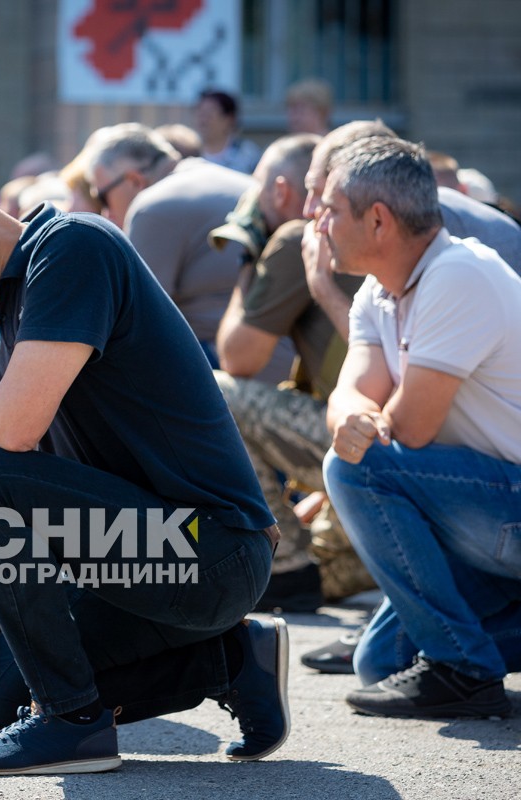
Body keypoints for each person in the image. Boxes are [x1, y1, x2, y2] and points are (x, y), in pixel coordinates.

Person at [0, 149, 287, 774]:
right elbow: (2, 460)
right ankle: (232, 660)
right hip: (126, 554)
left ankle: (73, 724)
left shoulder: (72, 247)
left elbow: (6, 434)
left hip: (211, 551)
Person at [317, 136, 521, 718]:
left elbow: (409, 432)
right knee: (381, 665)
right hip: (491, 502)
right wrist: (352, 419)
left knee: (355, 471)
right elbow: (352, 392)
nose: (317, 221)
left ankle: (464, 671)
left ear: (377, 220)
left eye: (330, 208)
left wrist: (360, 434)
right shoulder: (380, 290)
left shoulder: (457, 275)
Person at [210, 132, 373, 611]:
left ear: (279, 190)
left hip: (365, 445)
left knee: (217, 394)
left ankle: (285, 566)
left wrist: (248, 256)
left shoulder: (298, 236)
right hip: (411, 456)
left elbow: (238, 359)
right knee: (332, 566)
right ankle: (299, 569)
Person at [82, 123, 261, 367]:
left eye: (102, 197)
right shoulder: (225, 178)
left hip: (236, 364)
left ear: (134, 180)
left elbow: (135, 321)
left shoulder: (151, 206)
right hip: (280, 355)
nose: (106, 213)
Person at [193, 90, 259, 173]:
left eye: (209, 113)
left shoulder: (248, 154)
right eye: (201, 112)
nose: (203, 120)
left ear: (229, 119)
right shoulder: (188, 151)